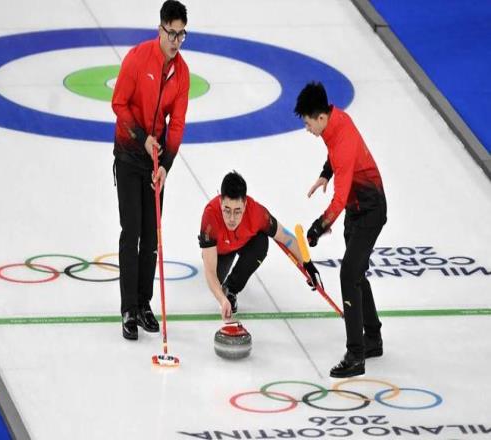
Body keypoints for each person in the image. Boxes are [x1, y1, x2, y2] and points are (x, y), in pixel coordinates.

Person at [294, 81, 387, 378]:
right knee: (356, 273)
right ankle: (373, 338)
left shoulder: (342, 137)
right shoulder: (333, 123)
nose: (307, 128)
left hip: (369, 210)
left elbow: (340, 198)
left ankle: (356, 355)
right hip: (356, 211)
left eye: (308, 123)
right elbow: (333, 154)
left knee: (348, 275)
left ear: (321, 117)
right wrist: (325, 173)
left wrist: (318, 227)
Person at [111, 0, 189, 340]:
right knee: (132, 232)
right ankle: (128, 307)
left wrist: (166, 165)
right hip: (130, 154)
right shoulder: (137, 58)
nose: (175, 41)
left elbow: (177, 123)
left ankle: (144, 303)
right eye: (171, 33)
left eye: (181, 35)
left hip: (155, 161)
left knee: (152, 235)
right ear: (160, 29)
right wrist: (142, 138)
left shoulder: (182, 73)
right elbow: (118, 103)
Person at [198, 171, 323, 321]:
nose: (231, 219)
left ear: (245, 204)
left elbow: (287, 238)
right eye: (227, 210)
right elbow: (210, 272)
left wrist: (308, 265)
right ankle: (224, 287)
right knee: (216, 280)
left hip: (244, 242)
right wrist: (221, 300)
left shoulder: (257, 213)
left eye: (237, 211)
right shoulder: (210, 215)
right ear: (220, 202)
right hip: (221, 250)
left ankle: (231, 288)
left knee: (262, 242)